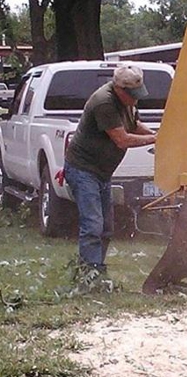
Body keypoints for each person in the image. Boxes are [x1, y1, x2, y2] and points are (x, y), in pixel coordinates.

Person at [64, 65, 157, 293]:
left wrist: (159, 135)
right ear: (118, 88)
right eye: (131, 95)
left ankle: (96, 273)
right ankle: (88, 279)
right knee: (93, 225)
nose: (135, 100)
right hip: (83, 169)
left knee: (106, 228)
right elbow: (122, 139)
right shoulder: (104, 102)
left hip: (102, 172)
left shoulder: (127, 103)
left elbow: (134, 125)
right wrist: (155, 139)